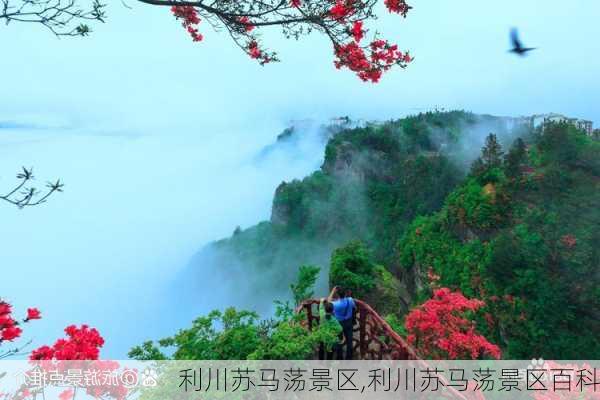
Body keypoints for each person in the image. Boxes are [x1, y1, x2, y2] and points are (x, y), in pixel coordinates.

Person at [328, 286, 356, 360]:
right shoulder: (350, 300)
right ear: (345, 293)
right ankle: (349, 358)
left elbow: (328, 302)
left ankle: (339, 357)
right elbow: (354, 307)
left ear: (337, 295)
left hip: (338, 323)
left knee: (339, 340)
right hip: (348, 322)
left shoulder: (334, 304)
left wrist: (332, 291)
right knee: (349, 340)